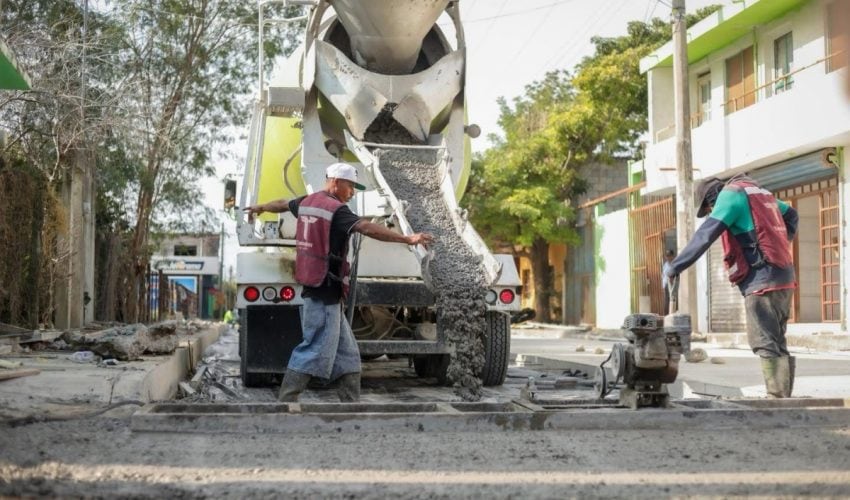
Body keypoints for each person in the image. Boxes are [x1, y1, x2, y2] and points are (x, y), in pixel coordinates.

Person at [244, 162, 434, 403]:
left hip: (319, 286)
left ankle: (350, 403)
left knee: (347, 354)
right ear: (335, 181)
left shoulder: (308, 202)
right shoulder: (336, 210)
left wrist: (262, 206)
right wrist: (407, 238)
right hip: (325, 288)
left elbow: (282, 203)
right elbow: (366, 228)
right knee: (314, 347)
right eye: (350, 186)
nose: (352, 192)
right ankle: (287, 400)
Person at [664, 174, 799, 398]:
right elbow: (792, 215)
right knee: (776, 340)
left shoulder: (730, 196)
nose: (710, 213)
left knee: (764, 341)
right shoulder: (757, 193)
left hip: (762, 282)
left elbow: (704, 235)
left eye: (708, 209)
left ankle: (777, 399)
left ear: (712, 198)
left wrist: (675, 266)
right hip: (784, 277)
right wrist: (781, 243)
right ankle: (783, 397)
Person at [661, 250, 678, 315]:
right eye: (667, 256)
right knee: (666, 300)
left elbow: (676, 273)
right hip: (666, 284)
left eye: (669, 256)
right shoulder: (665, 264)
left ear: (672, 256)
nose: (668, 257)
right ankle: (666, 315)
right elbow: (663, 275)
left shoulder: (674, 264)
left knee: (672, 299)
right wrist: (663, 285)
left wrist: (672, 277)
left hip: (672, 285)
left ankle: (672, 314)